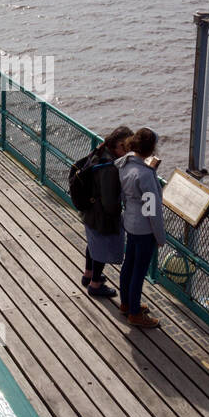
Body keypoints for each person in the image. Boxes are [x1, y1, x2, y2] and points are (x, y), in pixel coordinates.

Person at [115, 127, 165, 328]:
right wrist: (160, 237)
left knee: (129, 265)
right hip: (144, 228)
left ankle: (126, 303)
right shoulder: (145, 174)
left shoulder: (125, 164)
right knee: (139, 271)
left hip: (130, 222)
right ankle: (135, 313)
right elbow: (152, 210)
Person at [78, 125, 133, 298]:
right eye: (125, 148)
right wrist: (119, 213)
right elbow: (109, 201)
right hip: (100, 215)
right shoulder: (109, 168)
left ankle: (88, 275)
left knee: (93, 244)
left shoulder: (99, 152)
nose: (128, 152)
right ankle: (95, 285)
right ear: (116, 146)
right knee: (101, 248)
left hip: (89, 210)